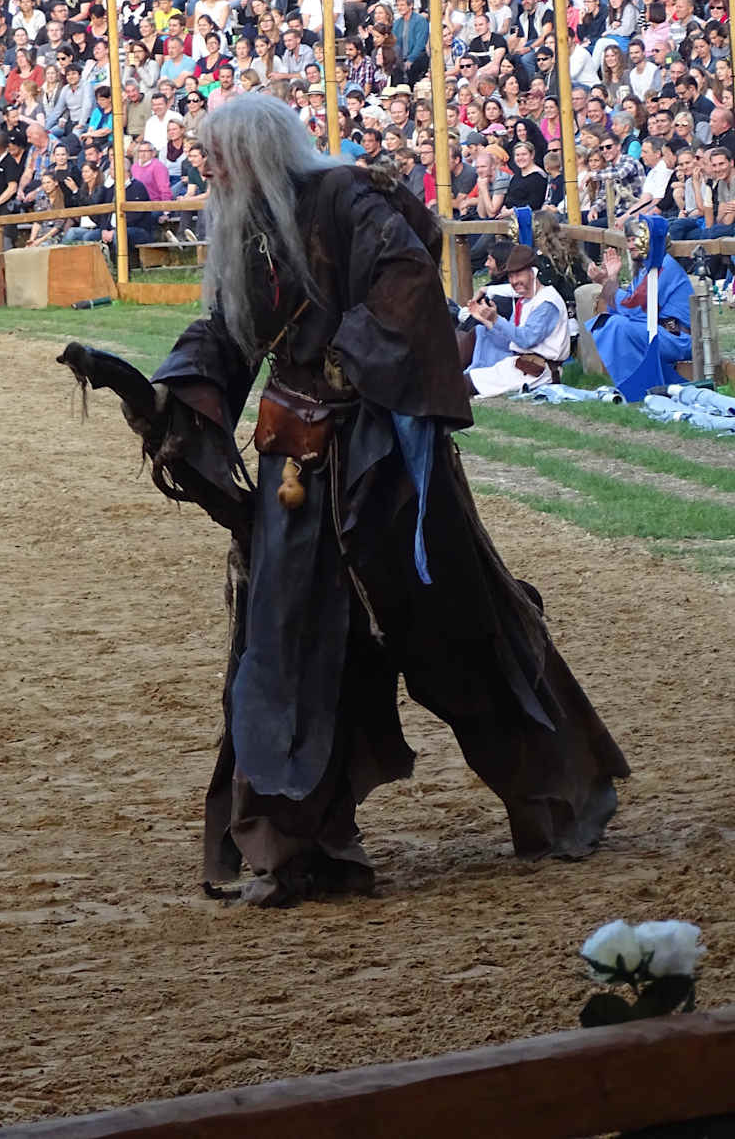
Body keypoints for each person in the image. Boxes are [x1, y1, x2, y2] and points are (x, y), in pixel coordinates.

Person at [60, 94, 627, 906]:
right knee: (285, 646)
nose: (205, 169)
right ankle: (302, 850)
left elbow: (407, 276)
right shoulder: (248, 230)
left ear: (257, 153)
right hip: (297, 470)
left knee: (461, 630)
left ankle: (563, 797)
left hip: (384, 462)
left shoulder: (348, 197)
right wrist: (165, 396)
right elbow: (227, 334)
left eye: (216, 154)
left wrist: (344, 358)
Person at [583, 218, 693, 386]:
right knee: (613, 322)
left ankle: (636, 386)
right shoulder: (644, 270)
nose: (631, 245)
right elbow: (621, 310)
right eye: (628, 240)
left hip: (678, 339)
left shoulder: (664, 266)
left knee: (617, 326)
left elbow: (635, 309)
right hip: (658, 333)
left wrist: (606, 283)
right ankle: (637, 386)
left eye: (635, 239)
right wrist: (612, 277)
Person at [459, 243, 571, 397]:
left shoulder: (547, 303)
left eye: (518, 275)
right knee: (478, 333)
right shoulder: (525, 300)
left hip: (539, 372)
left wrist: (496, 319)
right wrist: (486, 320)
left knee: (462, 384)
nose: (513, 281)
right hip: (520, 366)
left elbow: (526, 339)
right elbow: (511, 339)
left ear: (532, 272)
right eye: (511, 276)